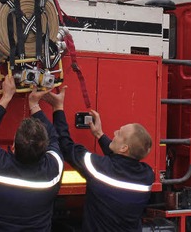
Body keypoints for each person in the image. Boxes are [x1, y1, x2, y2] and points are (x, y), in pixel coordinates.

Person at [42, 87, 155, 231]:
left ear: (124, 148)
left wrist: (58, 108)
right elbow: (120, 162)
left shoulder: (98, 168)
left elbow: (66, 145)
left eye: (119, 134)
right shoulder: (147, 176)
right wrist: (100, 135)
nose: (114, 133)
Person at [0, 75, 62, 231]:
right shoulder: (52, 173)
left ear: (14, 146)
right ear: (44, 150)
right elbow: (55, 137)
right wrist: (34, 105)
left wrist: (6, 97)